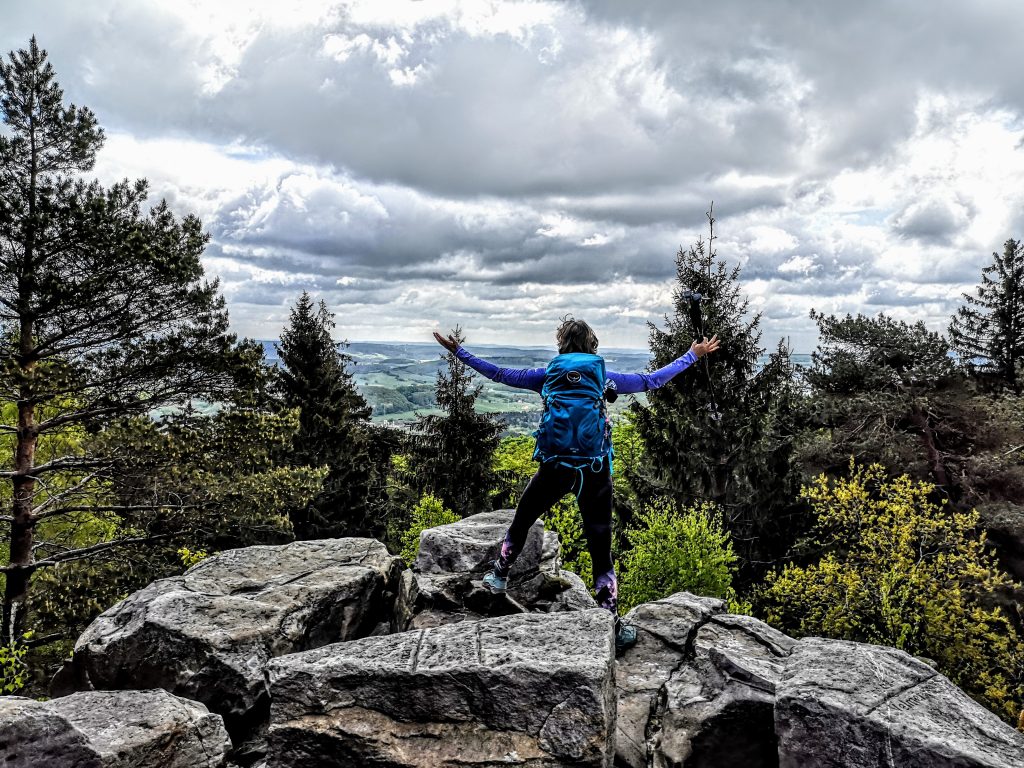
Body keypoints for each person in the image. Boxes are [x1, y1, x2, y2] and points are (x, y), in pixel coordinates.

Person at [432, 317, 720, 653]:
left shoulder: (548, 376)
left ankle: (499, 575)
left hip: (555, 467)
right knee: (601, 546)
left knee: (523, 519)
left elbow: (499, 373)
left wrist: (459, 352)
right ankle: (610, 620)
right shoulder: (603, 379)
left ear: (561, 345)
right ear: (592, 346)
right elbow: (650, 381)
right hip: (595, 472)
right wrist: (692, 355)